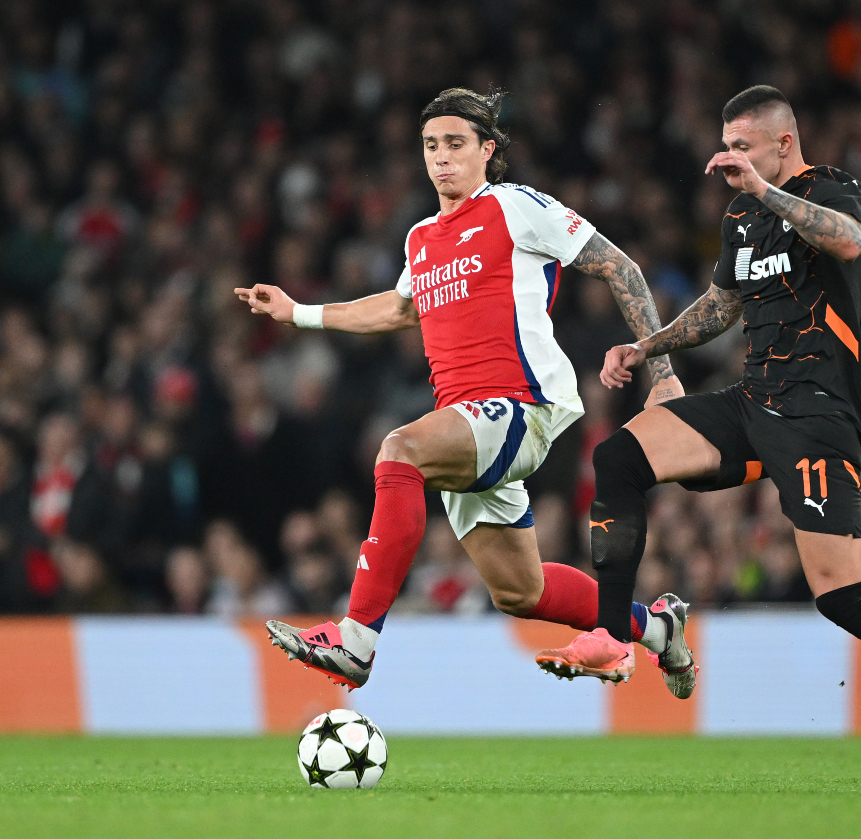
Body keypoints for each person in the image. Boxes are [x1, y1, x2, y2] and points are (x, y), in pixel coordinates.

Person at [536, 86, 861, 788]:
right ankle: (612, 635)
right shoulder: (740, 216)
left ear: (783, 143)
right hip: (752, 400)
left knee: (841, 596)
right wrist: (648, 346)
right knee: (618, 456)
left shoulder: (833, 189)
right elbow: (723, 304)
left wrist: (764, 187)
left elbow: (848, 241)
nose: (729, 159)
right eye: (727, 145)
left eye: (743, 146)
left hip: (818, 413)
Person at [236, 88, 687, 690]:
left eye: (455, 144)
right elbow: (399, 309)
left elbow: (620, 267)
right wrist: (299, 313)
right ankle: (658, 628)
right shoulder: (421, 238)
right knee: (522, 591)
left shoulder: (513, 205)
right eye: (430, 146)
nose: (441, 157)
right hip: (468, 421)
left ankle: (357, 639)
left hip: (518, 405)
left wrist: (664, 371)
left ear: (486, 150)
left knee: (399, 448)